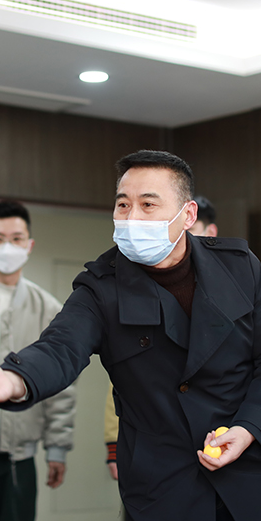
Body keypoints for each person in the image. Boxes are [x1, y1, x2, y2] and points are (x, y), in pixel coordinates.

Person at [0, 150, 261, 521]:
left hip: (248, 479)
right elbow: (61, 346)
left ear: (187, 215)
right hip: (162, 490)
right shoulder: (101, 286)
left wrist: (251, 427)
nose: (132, 217)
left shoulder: (238, 266)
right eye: (123, 205)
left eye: (148, 204)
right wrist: (15, 379)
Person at [0, 200, 76, 521]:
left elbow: (61, 383)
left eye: (16, 238)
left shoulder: (48, 308)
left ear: (29, 245)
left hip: (19, 457)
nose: (7, 246)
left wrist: (57, 448)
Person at [104, 194, 219, 480]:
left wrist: (251, 426)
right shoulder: (134, 283)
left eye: (191, 230)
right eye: (124, 205)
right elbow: (122, 376)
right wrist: (113, 442)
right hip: (155, 447)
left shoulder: (232, 284)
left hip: (220, 440)